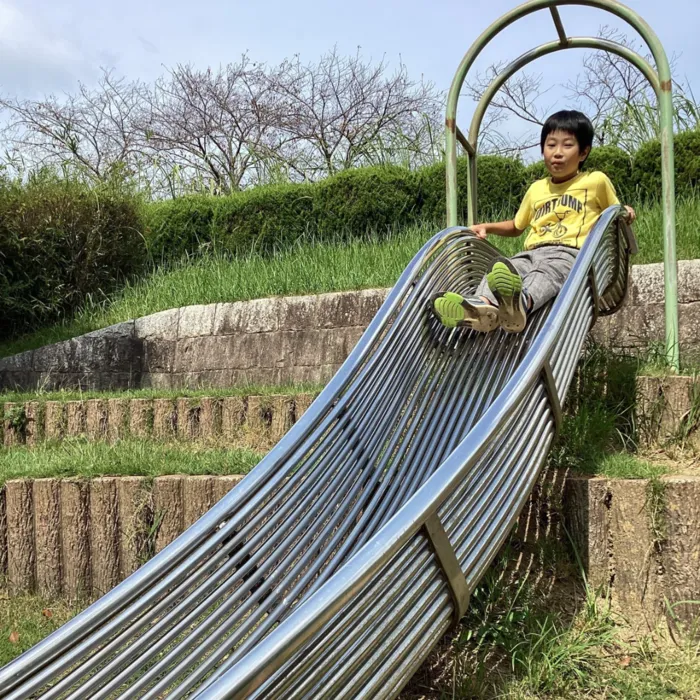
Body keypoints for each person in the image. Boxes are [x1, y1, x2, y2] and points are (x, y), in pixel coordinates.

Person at [431, 110, 636, 333]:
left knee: (547, 273)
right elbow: (517, 226)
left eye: (567, 145)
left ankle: (522, 303)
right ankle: (484, 307)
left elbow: (613, 214)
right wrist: (487, 227)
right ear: (542, 150)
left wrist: (623, 211)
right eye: (551, 145)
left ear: (583, 152)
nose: (557, 153)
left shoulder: (595, 181)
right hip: (532, 251)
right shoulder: (537, 189)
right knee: (505, 269)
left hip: (570, 254)